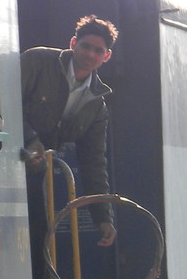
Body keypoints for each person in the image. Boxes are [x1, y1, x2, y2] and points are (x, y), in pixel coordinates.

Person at [21, 15, 119, 251]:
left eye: (98, 51)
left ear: (106, 56)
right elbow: (1, 102)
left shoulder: (97, 104)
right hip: (1, 158)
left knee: (39, 239)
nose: (90, 54)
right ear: (73, 43)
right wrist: (29, 138)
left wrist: (103, 217)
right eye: (86, 46)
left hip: (34, 170)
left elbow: (94, 161)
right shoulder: (37, 60)